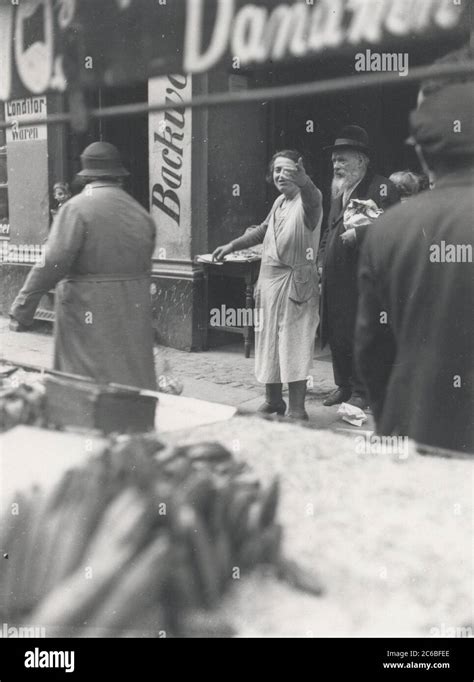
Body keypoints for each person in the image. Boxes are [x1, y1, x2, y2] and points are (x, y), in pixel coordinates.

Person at [355, 82, 474, 455]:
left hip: (412, 430)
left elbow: (371, 348)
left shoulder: (387, 228)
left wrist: (389, 415)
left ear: (423, 155)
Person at [9, 142, 157, 390]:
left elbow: (52, 262)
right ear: (118, 175)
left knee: (84, 384)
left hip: (88, 308)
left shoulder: (76, 208)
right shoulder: (140, 212)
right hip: (132, 309)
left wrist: (23, 307)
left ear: (86, 176)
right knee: (128, 379)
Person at [212, 151, 323, 420]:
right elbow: (263, 230)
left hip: (295, 283)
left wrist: (305, 182)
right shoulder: (279, 202)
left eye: (287, 171)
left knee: (293, 343)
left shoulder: (308, 202)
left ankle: (297, 408)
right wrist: (232, 245)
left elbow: (314, 198)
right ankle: (273, 401)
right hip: (269, 282)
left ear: (300, 173)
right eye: (276, 171)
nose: (280, 176)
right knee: (268, 340)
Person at [318, 125, 399, 410]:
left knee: (361, 332)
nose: (336, 165)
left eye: (342, 159)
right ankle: (343, 385)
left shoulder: (382, 186)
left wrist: (360, 235)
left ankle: (363, 390)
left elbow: (393, 227)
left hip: (364, 277)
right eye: (334, 160)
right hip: (335, 278)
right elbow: (328, 231)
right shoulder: (337, 189)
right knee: (338, 332)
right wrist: (320, 261)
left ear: (361, 160)